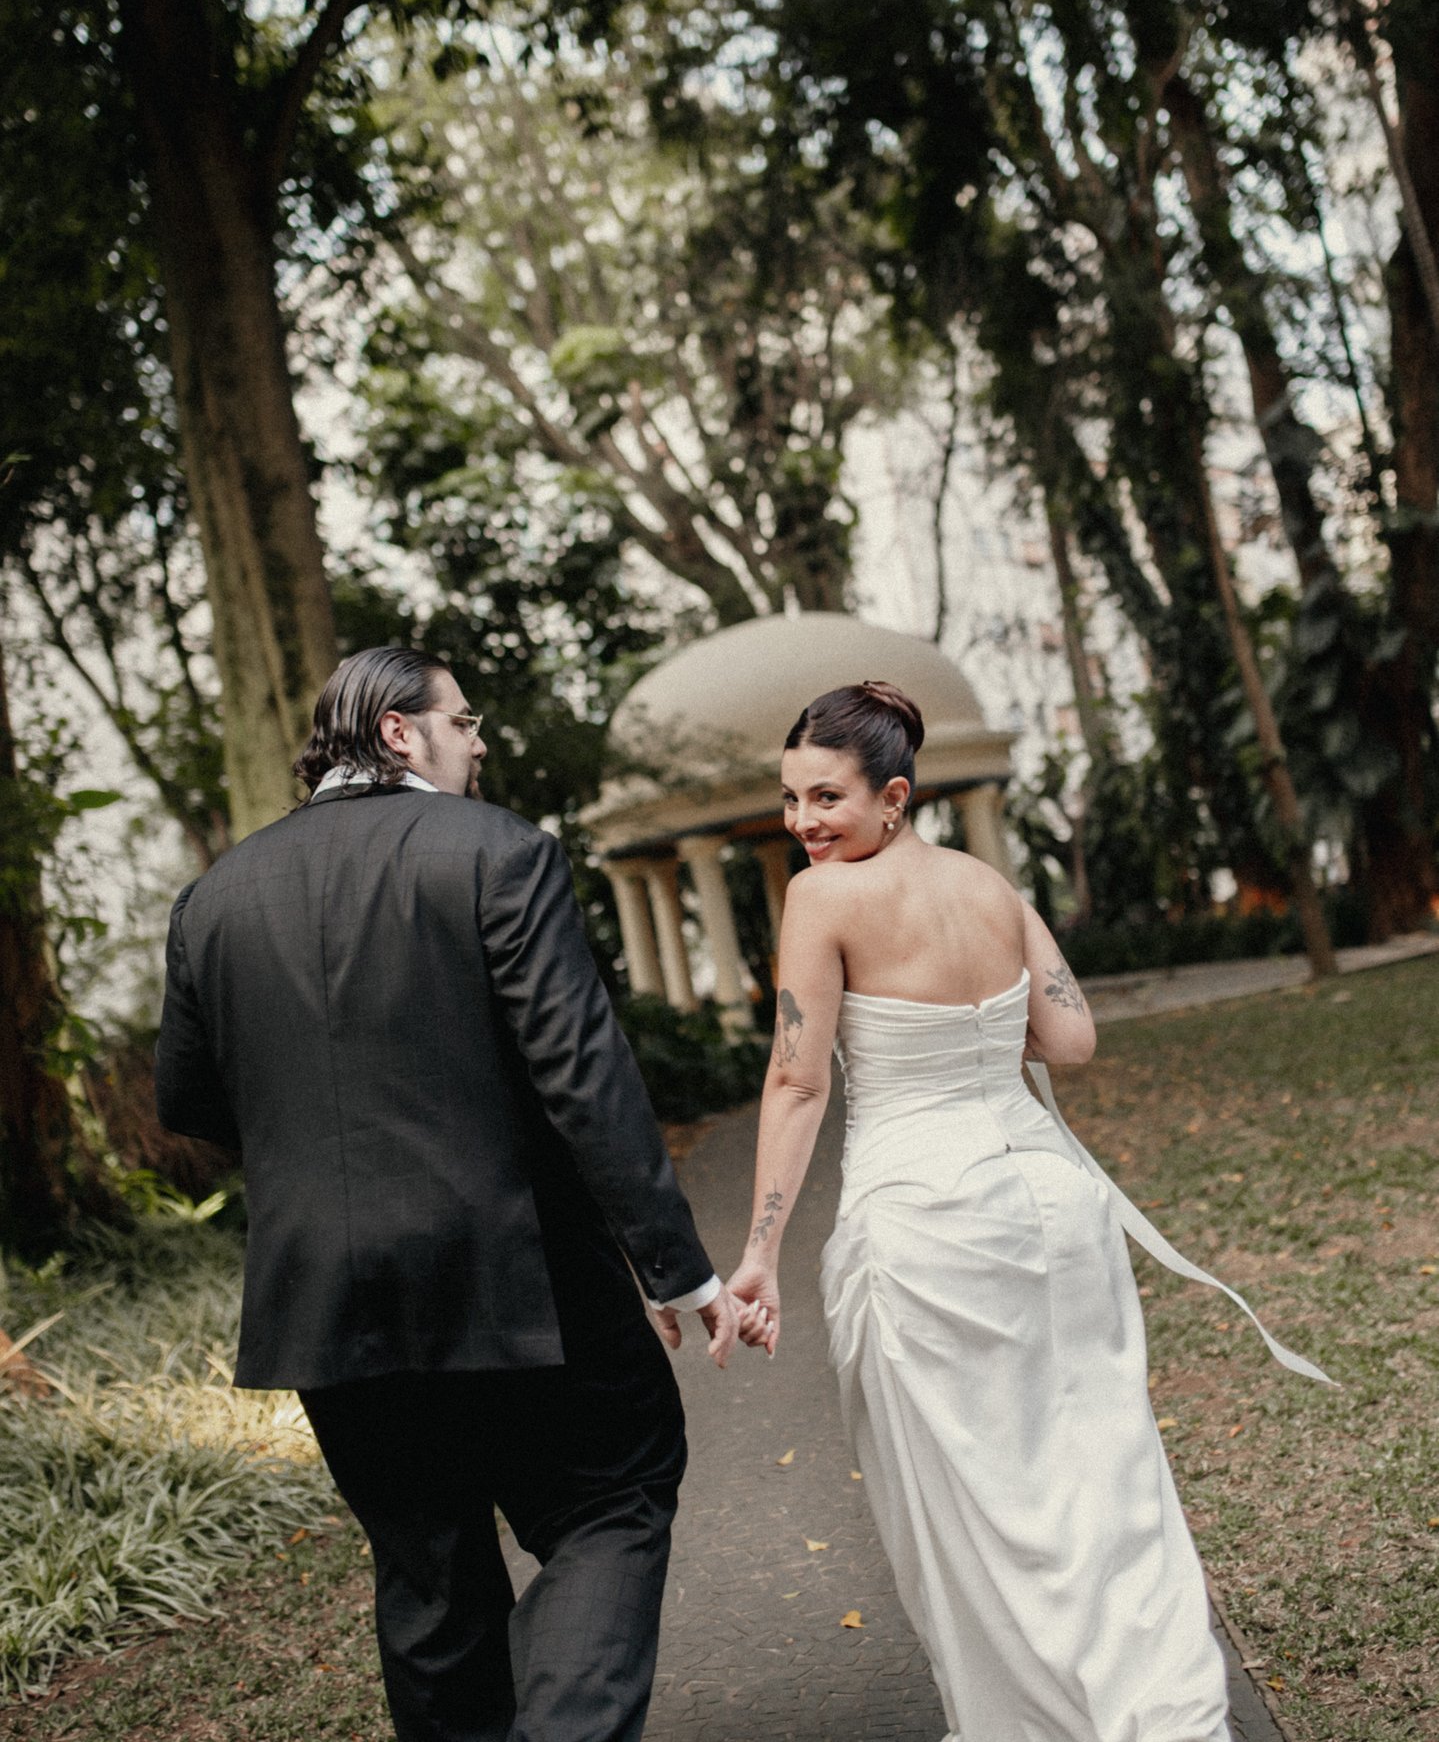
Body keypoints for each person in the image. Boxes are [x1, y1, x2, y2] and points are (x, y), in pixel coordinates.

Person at [156, 647, 740, 1742]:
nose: (478, 742)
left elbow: (189, 1100)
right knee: (609, 1502)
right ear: (396, 731)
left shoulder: (215, 898)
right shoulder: (498, 852)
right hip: (521, 1276)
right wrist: (677, 1268)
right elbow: (582, 1074)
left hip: (326, 1303)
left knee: (429, 1576)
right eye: (462, 721)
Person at [728, 679, 1329, 1742]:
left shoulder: (821, 901)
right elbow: (1073, 1042)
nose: (801, 824)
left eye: (823, 798)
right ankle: (1160, 1712)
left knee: (981, 1505)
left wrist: (760, 1253)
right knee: (1101, 1464)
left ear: (892, 795)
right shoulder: (990, 887)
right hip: (1052, 1205)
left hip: (924, 1225)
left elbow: (796, 1079)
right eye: (789, 801)